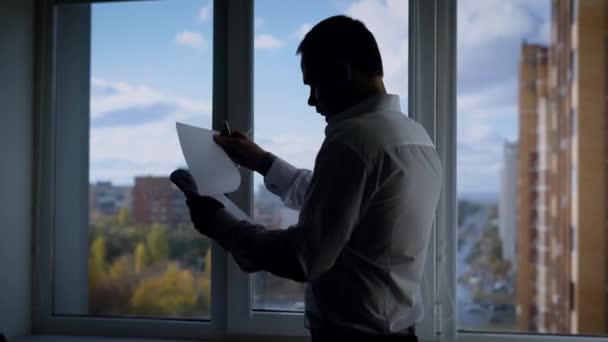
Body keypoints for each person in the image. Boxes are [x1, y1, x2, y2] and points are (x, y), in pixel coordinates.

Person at [177, 15, 442, 341]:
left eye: (313, 85)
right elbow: (341, 206)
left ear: (342, 74)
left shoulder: (353, 140)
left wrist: (221, 223)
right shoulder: (414, 137)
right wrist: (262, 161)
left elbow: (304, 257)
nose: (311, 100)